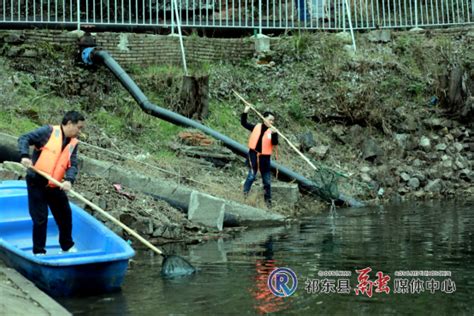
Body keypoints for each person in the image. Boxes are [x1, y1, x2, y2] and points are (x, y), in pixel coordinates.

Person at [18, 111, 85, 255]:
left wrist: (69, 180)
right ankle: (39, 251)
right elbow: (24, 138)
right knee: (40, 218)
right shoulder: (47, 132)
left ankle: (66, 247)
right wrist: (24, 155)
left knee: (65, 214)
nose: (80, 131)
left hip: (55, 184)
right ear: (69, 123)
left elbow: (72, 164)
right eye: (78, 127)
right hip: (37, 180)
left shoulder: (73, 143)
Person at [241, 105, 278, 208]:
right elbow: (244, 123)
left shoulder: (272, 131)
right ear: (264, 119)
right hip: (253, 155)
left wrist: (275, 134)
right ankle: (244, 196)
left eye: (273, 121)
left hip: (265, 159)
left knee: (267, 181)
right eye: (270, 120)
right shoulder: (256, 127)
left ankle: (268, 203)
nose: (272, 122)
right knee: (251, 176)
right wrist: (245, 111)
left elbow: (275, 143)